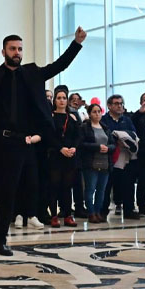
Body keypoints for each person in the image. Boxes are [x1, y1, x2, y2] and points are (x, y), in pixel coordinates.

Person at [0, 28, 87, 254]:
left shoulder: (32, 74)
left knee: (6, 192)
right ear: (3, 52)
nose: (17, 52)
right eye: (12, 49)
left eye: (20, 49)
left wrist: (76, 44)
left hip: (17, 143)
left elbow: (59, 65)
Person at [47, 87, 82, 228]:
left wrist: (74, 147)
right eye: (59, 98)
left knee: (67, 187)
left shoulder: (72, 117)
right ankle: (54, 215)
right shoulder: (51, 117)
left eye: (64, 98)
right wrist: (61, 148)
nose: (62, 100)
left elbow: (78, 136)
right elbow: (49, 136)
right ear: (55, 101)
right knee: (54, 186)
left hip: (70, 155)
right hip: (56, 154)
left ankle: (68, 215)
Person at [80, 103, 116, 223]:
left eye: (99, 111)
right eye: (94, 112)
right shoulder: (85, 127)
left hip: (105, 163)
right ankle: (91, 212)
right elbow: (82, 144)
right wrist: (97, 147)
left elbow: (112, 144)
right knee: (90, 189)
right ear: (90, 114)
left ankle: (98, 211)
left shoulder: (105, 128)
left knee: (102, 190)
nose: (97, 114)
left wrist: (108, 148)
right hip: (90, 163)